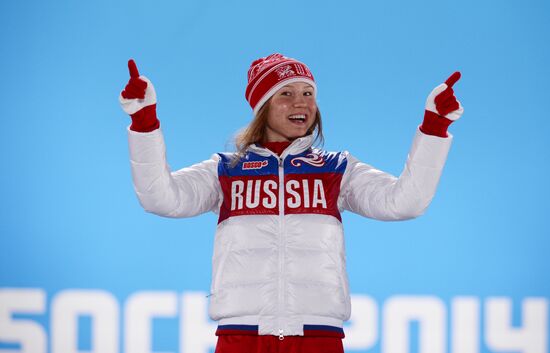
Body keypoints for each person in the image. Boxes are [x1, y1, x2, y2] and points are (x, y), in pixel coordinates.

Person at [119, 53, 463, 353]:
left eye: (308, 93)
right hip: (241, 335)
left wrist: (434, 128)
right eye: (286, 93)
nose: (302, 103)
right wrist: (144, 122)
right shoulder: (227, 169)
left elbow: (406, 202)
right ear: (261, 106)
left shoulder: (337, 168)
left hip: (319, 335)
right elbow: (160, 198)